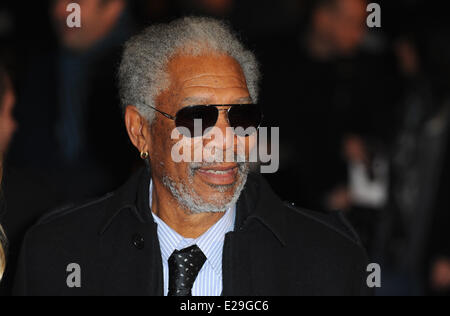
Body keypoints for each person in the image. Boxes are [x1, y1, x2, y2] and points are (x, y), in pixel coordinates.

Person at [14, 17, 370, 296]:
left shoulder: (329, 262)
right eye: (197, 119)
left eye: (241, 117)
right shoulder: (58, 253)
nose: (227, 140)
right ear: (140, 130)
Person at [7, 0, 138, 203]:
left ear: (114, 6)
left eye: (75, 4)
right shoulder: (38, 67)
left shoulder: (145, 72)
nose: (60, 11)